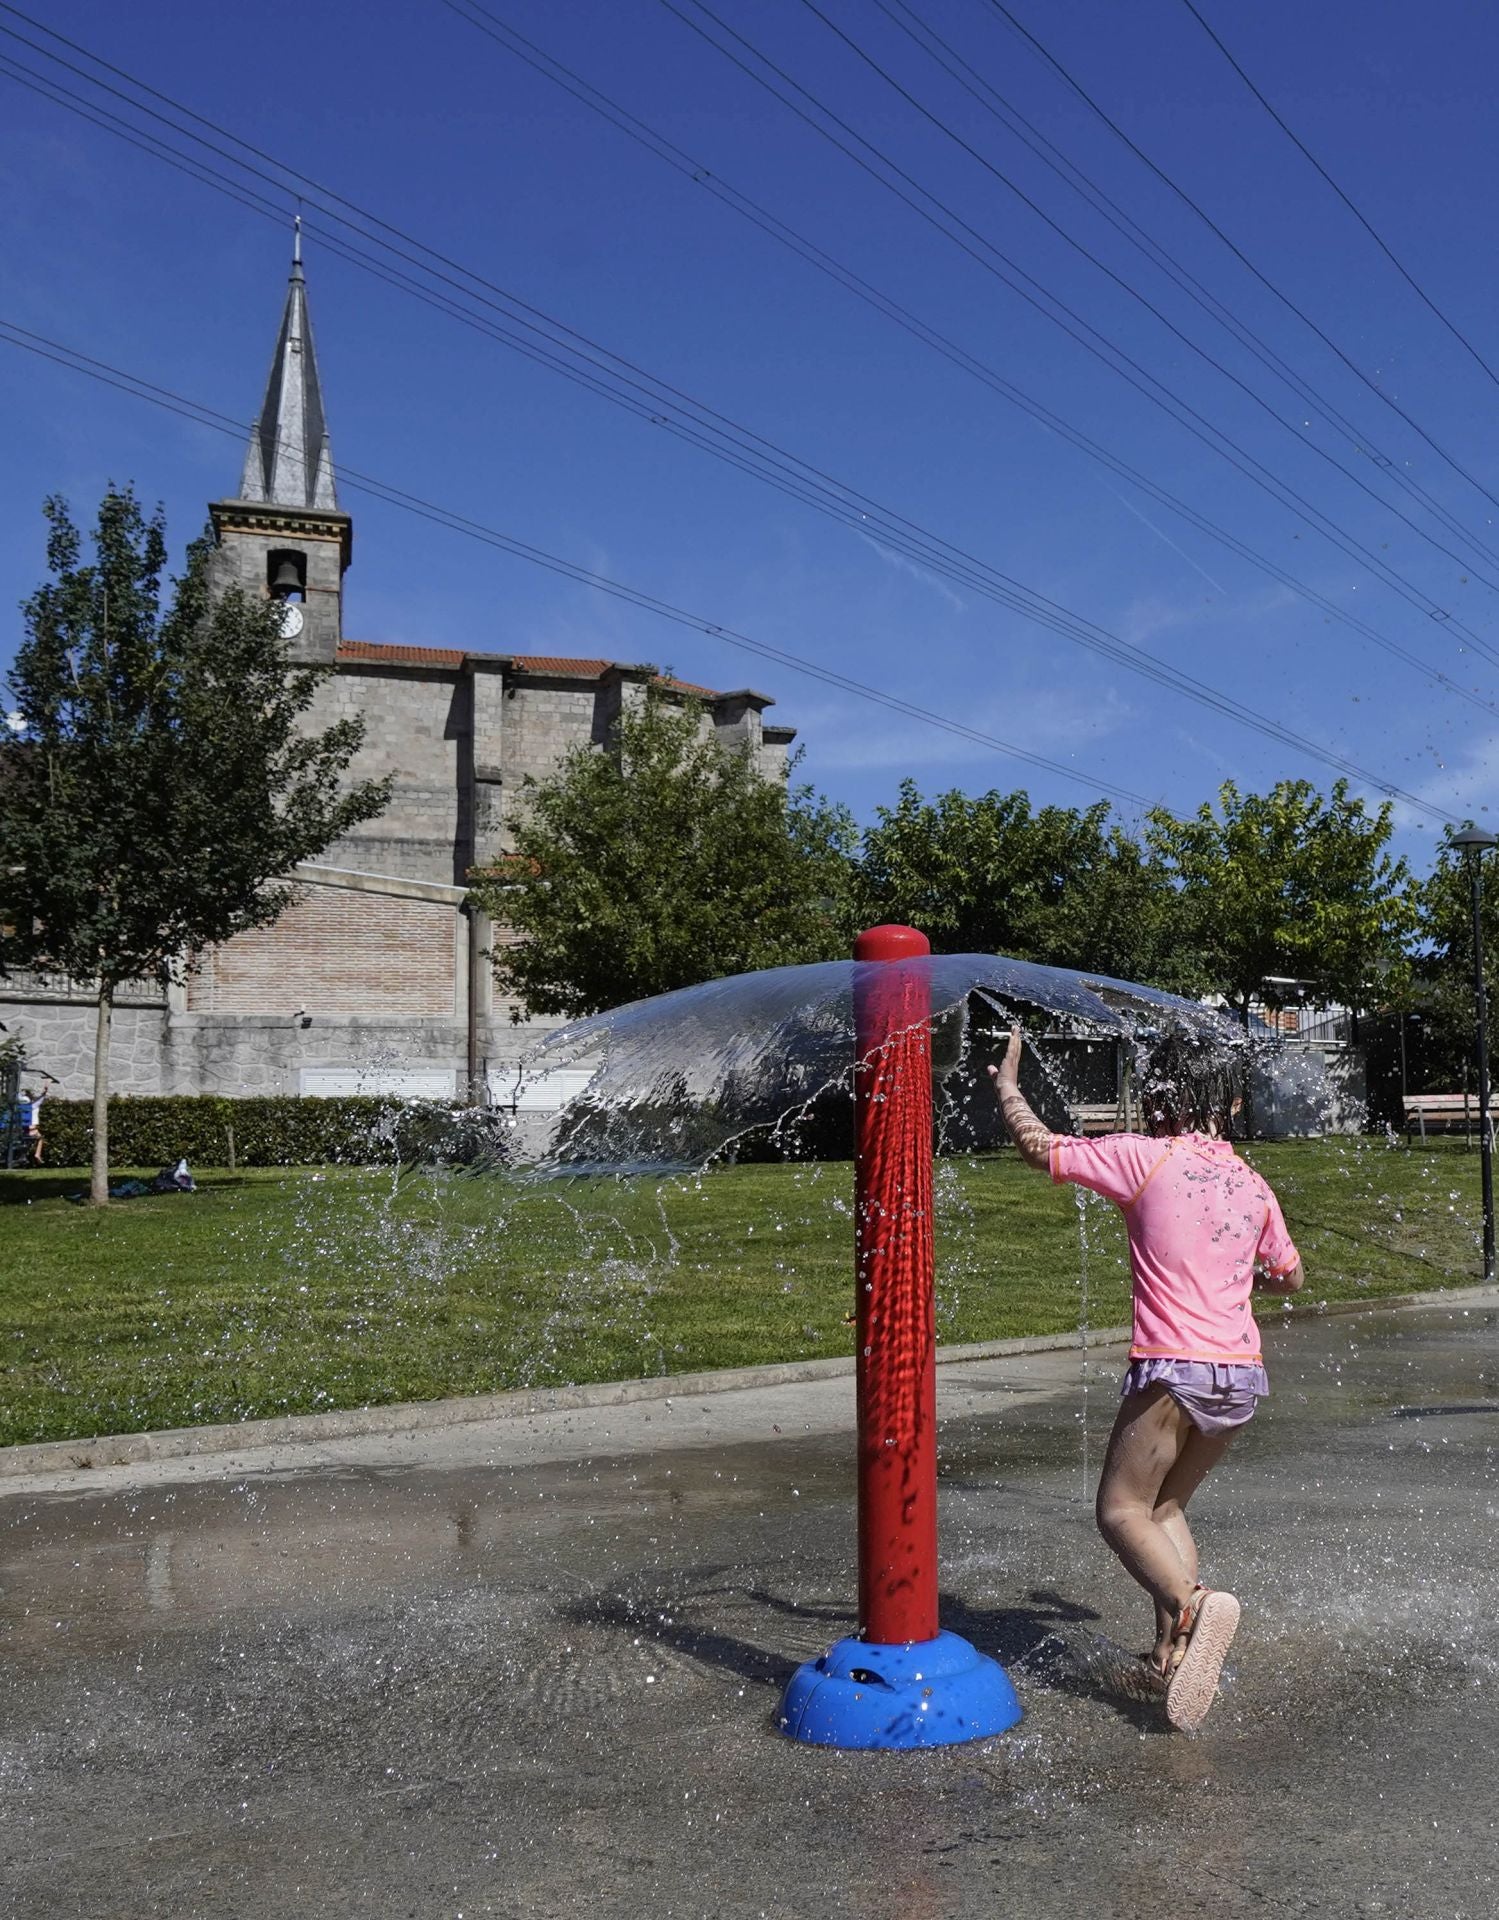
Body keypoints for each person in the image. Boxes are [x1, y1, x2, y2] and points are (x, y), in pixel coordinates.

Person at [989, 1024, 1303, 1731]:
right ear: (1227, 1103)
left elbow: (1040, 1148)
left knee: (1119, 1512)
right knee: (1162, 1512)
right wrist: (1231, 1261)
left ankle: (1195, 1608)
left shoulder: (1147, 1159)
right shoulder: (1250, 1182)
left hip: (1173, 1369)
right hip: (1240, 1378)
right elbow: (1289, 1277)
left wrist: (1009, 1088)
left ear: (1158, 1096)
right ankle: (1173, 1652)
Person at [19, 1085, 45, 1166]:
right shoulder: (33, 1106)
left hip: (25, 1130)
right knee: (40, 1139)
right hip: (32, 1130)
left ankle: (23, 1156)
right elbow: (41, 1099)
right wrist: (46, 1089)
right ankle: (37, 1154)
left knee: (27, 1143)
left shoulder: (21, 1107)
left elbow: (18, 1097)